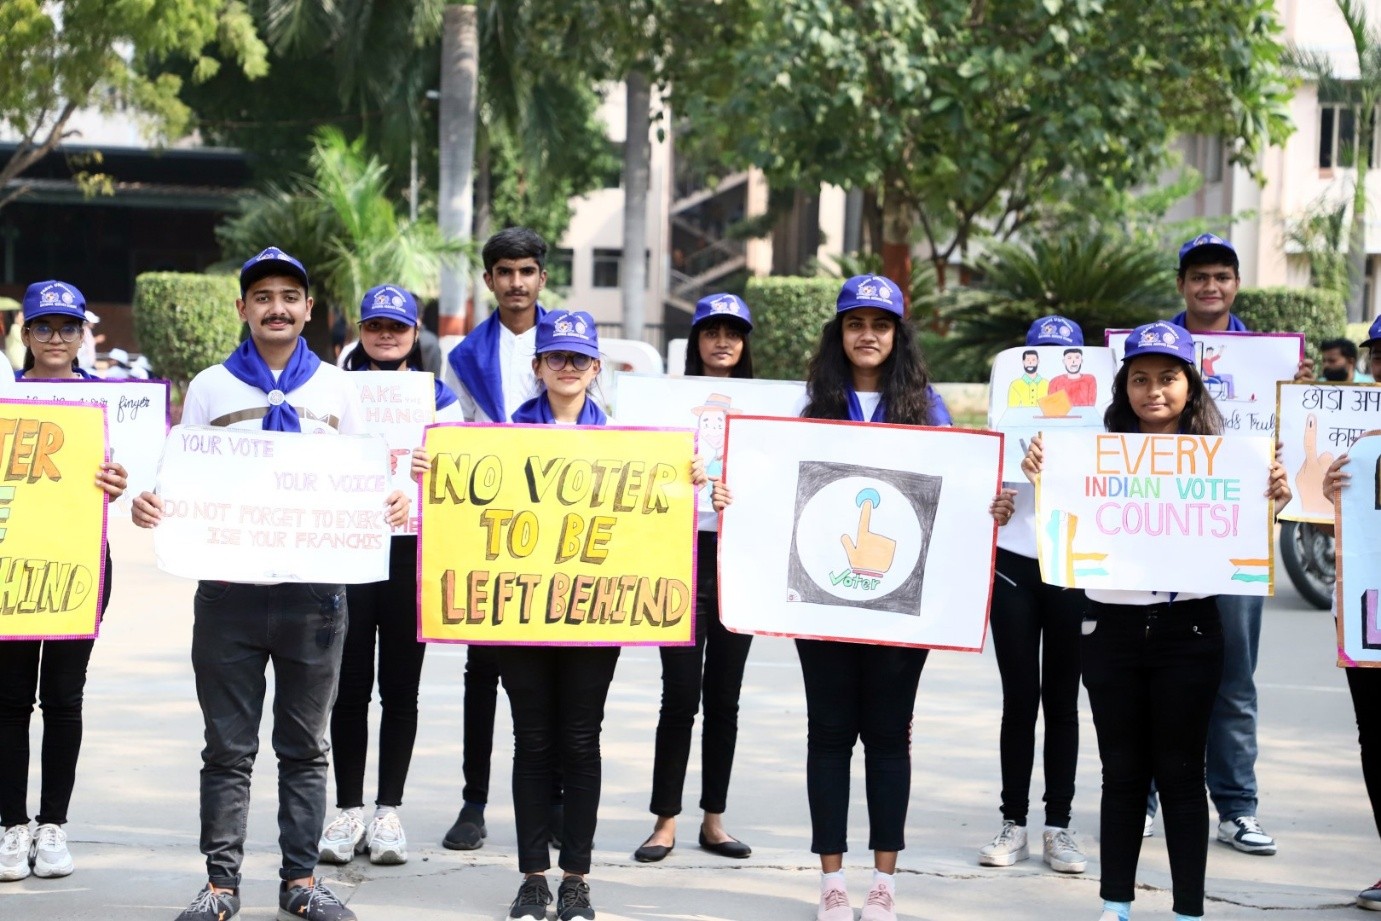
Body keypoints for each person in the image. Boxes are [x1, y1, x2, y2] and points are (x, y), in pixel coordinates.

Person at [131, 247, 410, 921]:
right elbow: (178, 479)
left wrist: (393, 500)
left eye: (290, 295)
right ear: (243, 309)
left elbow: (369, 474)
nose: (277, 306)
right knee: (227, 747)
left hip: (314, 594)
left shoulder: (339, 390)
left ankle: (301, 881)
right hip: (229, 593)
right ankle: (221, 884)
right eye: (263, 296)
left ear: (309, 309)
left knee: (305, 746)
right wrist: (153, 503)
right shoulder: (208, 387)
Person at [721, 275, 1010, 921]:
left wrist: (988, 502)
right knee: (826, 734)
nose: (867, 334)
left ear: (897, 333)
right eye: (855, 323)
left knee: (887, 736)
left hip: (899, 607)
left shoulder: (926, 406)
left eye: (880, 323)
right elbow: (773, 493)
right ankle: (830, 881)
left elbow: (956, 496)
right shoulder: (812, 409)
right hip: (818, 601)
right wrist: (730, 496)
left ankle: (883, 884)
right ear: (839, 332)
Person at [1021, 320, 1290, 921]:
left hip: (1190, 633)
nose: (1154, 391)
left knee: (1181, 775)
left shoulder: (1230, 458)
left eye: (1168, 378)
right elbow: (1059, 519)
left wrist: (1274, 494)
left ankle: (1188, 909)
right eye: (1140, 379)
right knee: (1120, 774)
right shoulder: (1089, 452)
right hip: (1110, 632)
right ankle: (1116, 903)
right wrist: (1045, 474)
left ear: (1191, 386)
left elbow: (1251, 529)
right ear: (1125, 388)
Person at [496, 308, 708, 921]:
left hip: (593, 614)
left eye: (579, 359)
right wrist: (433, 473)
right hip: (523, 612)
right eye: (556, 357)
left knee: (581, 742)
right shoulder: (502, 437)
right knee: (532, 743)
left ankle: (576, 878)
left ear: (595, 369)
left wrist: (686, 477)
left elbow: (652, 520)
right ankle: (533, 876)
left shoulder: (626, 442)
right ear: (538, 366)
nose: (568, 367)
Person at [1147, 233, 1312, 852]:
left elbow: (1291, 444)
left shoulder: (1269, 361)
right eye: (1198, 277)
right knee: (1150, 671)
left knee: (1234, 677)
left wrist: (1292, 393)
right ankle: (1145, 797)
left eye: (1221, 276)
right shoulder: (1146, 349)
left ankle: (1237, 807)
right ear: (1182, 284)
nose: (1209, 287)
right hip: (1155, 531)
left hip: (1235, 534)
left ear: (1236, 283)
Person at [316, 285, 465, 868]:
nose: (385, 335)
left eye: (396, 327)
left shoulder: (437, 396)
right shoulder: (329, 387)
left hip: (410, 554)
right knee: (348, 687)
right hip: (348, 554)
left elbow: (462, 481)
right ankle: (348, 808)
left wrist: (436, 468)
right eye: (375, 325)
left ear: (414, 332)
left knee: (401, 688)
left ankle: (388, 812)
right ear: (359, 327)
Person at [440, 227, 563, 852]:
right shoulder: (462, 356)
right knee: (482, 668)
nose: (517, 282)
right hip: (490, 522)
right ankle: (474, 800)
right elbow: (455, 434)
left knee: (556, 665)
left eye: (528, 270)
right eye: (505, 272)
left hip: (564, 524)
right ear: (489, 280)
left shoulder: (571, 343)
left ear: (543, 277)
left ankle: (557, 800)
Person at [0, 280, 126, 883]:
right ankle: (10, 825)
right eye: (44, 327)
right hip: (10, 569)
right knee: (7, 702)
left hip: (82, 564)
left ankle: (53, 825)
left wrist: (122, 482)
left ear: (84, 334)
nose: (56, 338)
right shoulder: (5, 397)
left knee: (64, 700)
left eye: (67, 327)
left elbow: (140, 485)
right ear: (25, 333)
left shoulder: (110, 404)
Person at [634, 292, 755, 864]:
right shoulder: (665, 405)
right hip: (678, 554)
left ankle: (714, 819)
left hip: (740, 559)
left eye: (733, 332)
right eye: (712, 331)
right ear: (696, 341)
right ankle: (665, 820)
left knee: (724, 698)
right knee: (679, 694)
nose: (723, 341)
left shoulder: (767, 410)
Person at [977, 315, 1089, 875]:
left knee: (1063, 701)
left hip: (1072, 566)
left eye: (1064, 357)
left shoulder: (1099, 420)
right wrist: (997, 499)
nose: (1051, 368)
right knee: (1019, 698)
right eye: (1040, 356)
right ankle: (1013, 822)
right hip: (1016, 566)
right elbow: (986, 491)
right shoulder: (1008, 412)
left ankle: (1059, 827)